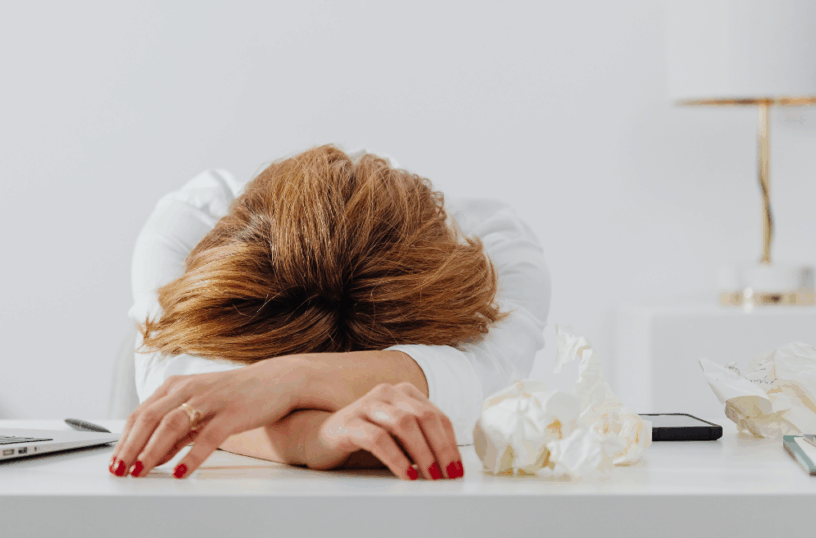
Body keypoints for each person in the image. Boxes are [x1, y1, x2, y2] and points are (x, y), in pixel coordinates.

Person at [110, 145, 550, 481]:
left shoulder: (499, 247)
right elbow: (187, 389)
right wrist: (313, 436)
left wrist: (285, 380)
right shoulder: (191, 218)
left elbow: (484, 382)